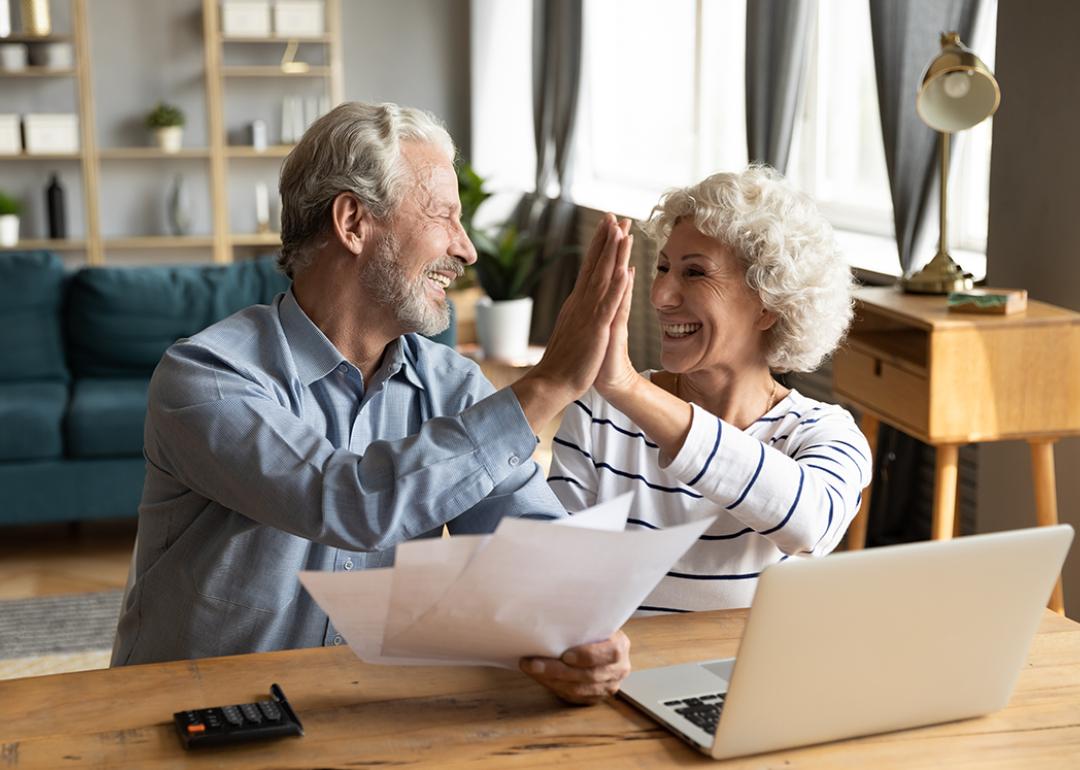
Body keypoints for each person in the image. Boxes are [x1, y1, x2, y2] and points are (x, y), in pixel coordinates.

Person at [111, 101, 633, 705]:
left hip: (356, 712)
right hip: (190, 718)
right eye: (443, 216)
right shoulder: (207, 376)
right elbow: (348, 502)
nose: (466, 250)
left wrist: (579, 627)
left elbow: (527, 540)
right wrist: (546, 387)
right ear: (353, 222)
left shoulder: (451, 386)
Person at [548, 166, 873, 614]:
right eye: (662, 267)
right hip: (623, 674)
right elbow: (554, 577)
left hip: (755, 679)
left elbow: (810, 524)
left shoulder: (823, 433)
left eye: (695, 273)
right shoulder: (601, 413)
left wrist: (627, 388)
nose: (661, 294)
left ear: (768, 305)